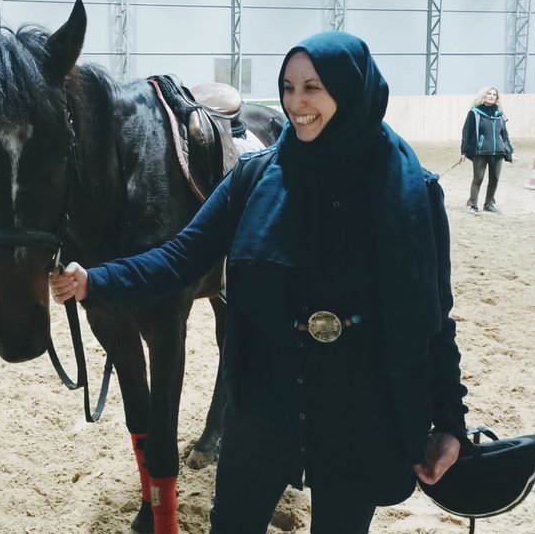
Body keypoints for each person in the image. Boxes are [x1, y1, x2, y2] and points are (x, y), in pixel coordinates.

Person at [51, 31, 469, 534]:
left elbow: (433, 319)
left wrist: (449, 421)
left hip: (359, 411)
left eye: (313, 87)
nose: (297, 103)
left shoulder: (414, 194)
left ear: (351, 89)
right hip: (265, 405)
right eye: (288, 88)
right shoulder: (255, 177)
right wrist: (95, 280)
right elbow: (181, 256)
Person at [460, 86, 513, 213]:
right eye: (489, 93)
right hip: (480, 151)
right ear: (483, 95)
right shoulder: (475, 112)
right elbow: (467, 132)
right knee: (478, 178)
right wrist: (463, 151)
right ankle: (473, 204)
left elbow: (504, 134)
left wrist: (510, 150)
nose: (492, 96)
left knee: (494, 179)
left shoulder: (499, 114)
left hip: (498, 152)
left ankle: (489, 203)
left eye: (494, 94)